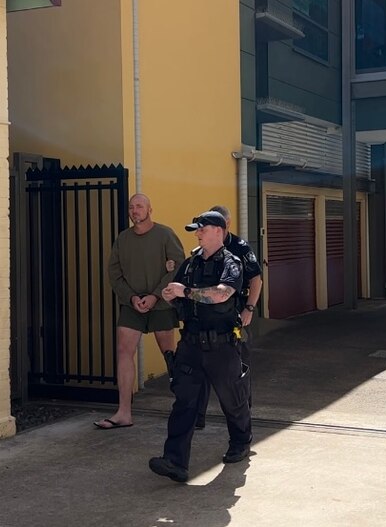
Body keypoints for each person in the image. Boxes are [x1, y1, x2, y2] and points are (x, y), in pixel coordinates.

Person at [148, 211, 252, 483]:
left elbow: (222, 294)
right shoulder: (191, 264)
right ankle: (175, 461)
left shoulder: (232, 262)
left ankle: (241, 441)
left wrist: (187, 292)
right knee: (185, 402)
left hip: (222, 345)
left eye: (202, 229)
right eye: (197, 230)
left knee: (232, 399)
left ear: (218, 230)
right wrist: (172, 295)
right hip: (191, 344)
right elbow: (177, 295)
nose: (198, 233)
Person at [93, 193, 185, 429]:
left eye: (140, 206)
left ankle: (185, 407)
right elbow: (114, 273)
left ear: (149, 209)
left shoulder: (165, 234)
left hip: (161, 303)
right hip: (131, 304)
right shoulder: (123, 239)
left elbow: (178, 267)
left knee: (170, 355)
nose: (135, 211)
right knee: (124, 351)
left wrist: (155, 295)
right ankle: (124, 413)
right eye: (132, 207)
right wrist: (132, 297)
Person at [194, 204, 262, 429]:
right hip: (206, 319)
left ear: (225, 226)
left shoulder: (239, 247)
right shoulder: (200, 251)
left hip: (235, 314)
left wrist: (249, 309)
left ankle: (244, 416)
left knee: (238, 367)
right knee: (199, 368)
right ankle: (197, 418)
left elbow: (256, 279)